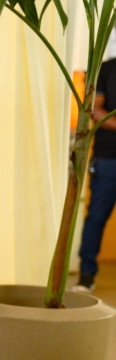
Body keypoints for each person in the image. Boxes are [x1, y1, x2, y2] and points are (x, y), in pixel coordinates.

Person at [77, 57, 116, 290]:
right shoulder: (107, 69)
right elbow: (94, 109)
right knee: (96, 217)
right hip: (108, 157)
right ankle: (86, 275)